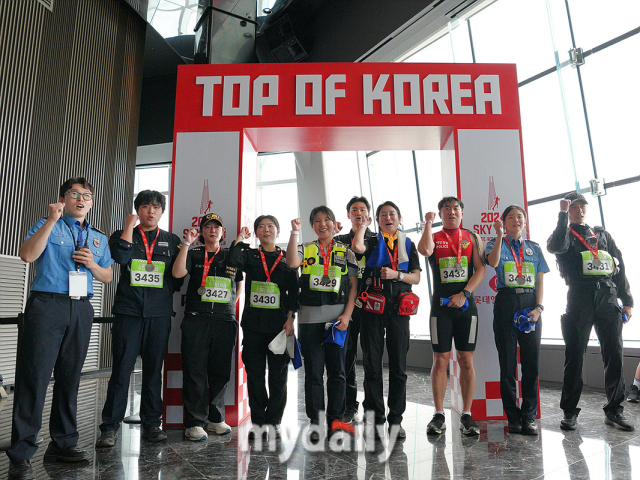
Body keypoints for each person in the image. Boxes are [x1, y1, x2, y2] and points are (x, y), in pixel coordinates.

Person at [7, 177, 113, 480]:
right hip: (47, 304)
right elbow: (28, 255)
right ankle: (22, 451)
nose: (81, 200)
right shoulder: (47, 223)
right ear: (63, 199)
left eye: (87, 196)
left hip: (81, 307)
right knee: (34, 377)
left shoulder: (97, 237)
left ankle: (63, 444)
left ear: (91, 203)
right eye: (75, 194)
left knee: (71, 377)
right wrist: (51, 221)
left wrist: (92, 265)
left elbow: (106, 276)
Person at [95, 190, 183, 447]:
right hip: (128, 313)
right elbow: (120, 258)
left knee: (154, 371)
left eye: (156, 207)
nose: (151, 211)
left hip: (158, 315)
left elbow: (176, 280)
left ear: (162, 211)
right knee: (121, 371)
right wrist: (128, 227)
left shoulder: (172, 239)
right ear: (138, 210)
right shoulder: (123, 235)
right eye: (145, 207)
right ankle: (109, 427)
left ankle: (152, 424)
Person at [547, 192, 634, 431]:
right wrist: (562, 215)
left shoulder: (602, 234)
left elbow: (619, 266)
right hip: (579, 297)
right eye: (573, 208)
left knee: (614, 353)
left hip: (607, 296)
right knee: (575, 354)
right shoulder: (563, 234)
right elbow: (556, 246)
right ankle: (569, 412)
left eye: (582, 207)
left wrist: (626, 300)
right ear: (568, 210)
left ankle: (615, 410)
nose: (579, 211)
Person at [286, 206, 358, 441]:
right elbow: (291, 263)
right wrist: (294, 232)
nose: (322, 224)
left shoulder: (345, 252)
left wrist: (347, 315)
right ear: (312, 226)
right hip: (309, 321)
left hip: (337, 322)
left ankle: (336, 421)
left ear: (334, 223)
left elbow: (353, 287)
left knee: (338, 373)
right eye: (317, 221)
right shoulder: (304, 248)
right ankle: (315, 422)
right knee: (314, 374)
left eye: (327, 220)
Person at [351, 201, 421, 440]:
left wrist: (396, 274)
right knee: (372, 365)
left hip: (399, 312)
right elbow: (358, 247)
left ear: (399, 219)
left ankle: (395, 420)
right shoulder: (372, 241)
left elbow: (416, 278)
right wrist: (363, 226)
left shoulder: (408, 244)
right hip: (372, 309)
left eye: (392, 214)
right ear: (378, 220)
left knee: (399, 367)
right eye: (383, 215)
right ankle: (375, 419)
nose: (388, 217)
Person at [417, 196, 485, 437]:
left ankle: (466, 414)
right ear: (441, 214)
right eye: (446, 209)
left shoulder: (471, 237)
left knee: (466, 359)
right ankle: (438, 415)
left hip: (466, 307)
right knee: (440, 360)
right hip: (441, 309)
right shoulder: (434, 237)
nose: (451, 212)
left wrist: (464, 294)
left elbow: (481, 269)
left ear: (461, 213)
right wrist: (428, 223)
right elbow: (424, 250)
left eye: (456, 208)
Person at [172, 213, 243, 441]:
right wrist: (185, 244)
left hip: (224, 321)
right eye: (208, 227)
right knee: (195, 371)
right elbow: (177, 273)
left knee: (220, 372)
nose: (213, 230)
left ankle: (215, 419)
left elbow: (239, 284)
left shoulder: (231, 256)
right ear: (202, 232)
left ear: (223, 233)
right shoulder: (193, 253)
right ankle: (194, 422)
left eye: (217, 227)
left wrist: (231, 305)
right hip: (197, 319)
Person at [230, 215, 298, 440]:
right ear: (256, 233)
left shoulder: (288, 259)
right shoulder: (250, 256)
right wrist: (240, 238)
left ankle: (274, 422)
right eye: (261, 227)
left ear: (277, 231)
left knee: (278, 377)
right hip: (253, 326)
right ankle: (258, 422)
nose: (266, 230)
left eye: (270, 226)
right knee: (255, 376)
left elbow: (294, 292)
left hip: (279, 326)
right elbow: (232, 261)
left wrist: (290, 317)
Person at [485, 205, 549, 435]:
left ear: (525, 222)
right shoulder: (494, 243)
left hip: (530, 304)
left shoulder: (534, 248)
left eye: (520, 217)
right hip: (506, 303)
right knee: (508, 364)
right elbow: (492, 263)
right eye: (510, 217)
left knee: (531, 363)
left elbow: (540, 281)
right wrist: (500, 235)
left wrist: (539, 308)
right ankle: (513, 417)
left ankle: (529, 416)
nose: (516, 220)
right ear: (503, 222)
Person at [333, 196, 375, 423]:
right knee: (346, 357)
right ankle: (350, 405)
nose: (358, 213)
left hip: (371, 306)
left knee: (371, 357)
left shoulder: (376, 239)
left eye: (362, 210)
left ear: (368, 214)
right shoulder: (339, 240)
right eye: (354, 210)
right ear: (348, 214)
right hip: (345, 306)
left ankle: (372, 406)